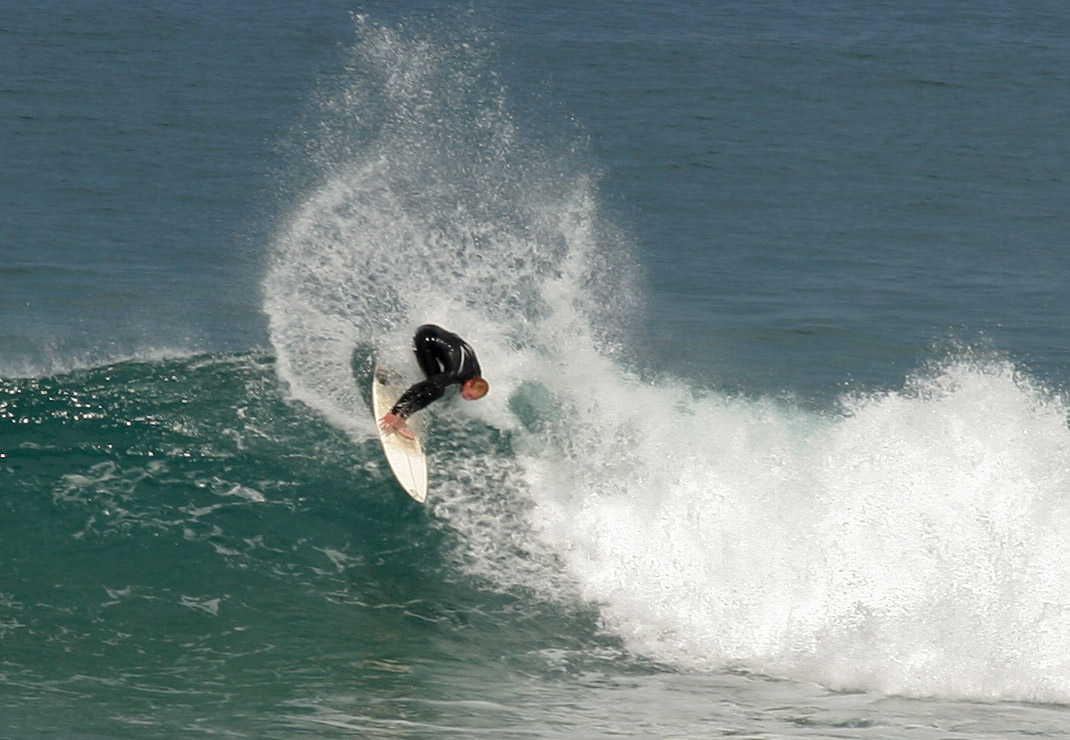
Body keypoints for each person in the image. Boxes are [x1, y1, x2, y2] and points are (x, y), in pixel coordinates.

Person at [378, 324, 489, 439]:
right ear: (469, 383)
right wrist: (394, 411)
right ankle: (400, 419)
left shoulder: (476, 375)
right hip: (425, 340)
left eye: (473, 398)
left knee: (435, 380)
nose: (468, 398)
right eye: (470, 395)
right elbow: (418, 388)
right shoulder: (455, 373)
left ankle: (393, 374)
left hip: (435, 330)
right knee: (436, 390)